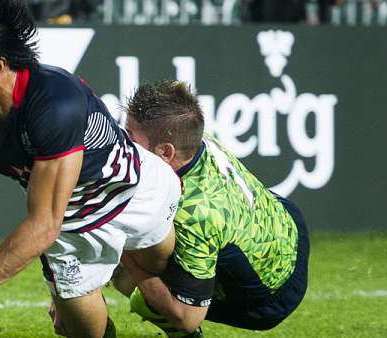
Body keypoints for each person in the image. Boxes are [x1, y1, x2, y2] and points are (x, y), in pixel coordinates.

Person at [0, 1, 180, 337]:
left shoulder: (55, 101)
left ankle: (128, 271)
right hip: (70, 227)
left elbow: (42, 225)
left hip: (132, 193)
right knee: (84, 334)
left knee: (167, 290)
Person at [115, 80, 310, 337]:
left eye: (129, 136)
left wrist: (125, 256)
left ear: (165, 152)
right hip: (288, 226)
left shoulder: (193, 214)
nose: (123, 143)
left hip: (270, 297)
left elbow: (188, 318)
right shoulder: (195, 140)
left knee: (129, 269)